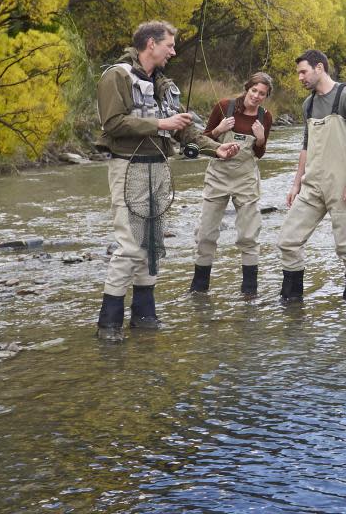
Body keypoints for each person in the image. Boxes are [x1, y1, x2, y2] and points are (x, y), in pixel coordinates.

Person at [94, 21, 236, 343]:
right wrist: (160, 122)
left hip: (158, 166)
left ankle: (145, 317)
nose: (173, 51)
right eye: (169, 45)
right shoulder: (116, 76)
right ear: (150, 44)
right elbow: (113, 123)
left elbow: (184, 131)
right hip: (127, 166)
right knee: (131, 246)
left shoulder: (163, 84)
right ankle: (109, 324)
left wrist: (217, 149)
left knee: (152, 246)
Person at [277, 50, 346, 303]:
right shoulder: (308, 104)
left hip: (343, 185)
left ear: (319, 68)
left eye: (303, 71)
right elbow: (306, 146)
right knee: (288, 239)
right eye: (298, 73)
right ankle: (292, 303)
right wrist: (296, 184)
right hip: (312, 185)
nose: (299, 77)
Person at [190, 72, 275, 297]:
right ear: (247, 88)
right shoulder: (224, 106)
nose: (256, 96)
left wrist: (260, 139)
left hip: (246, 178)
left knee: (248, 235)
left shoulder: (265, 117)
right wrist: (218, 130)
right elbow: (203, 139)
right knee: (206, 233)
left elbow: (259, 153)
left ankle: (249, 292)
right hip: (217, 175)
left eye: (262, 94)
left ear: (266, 97)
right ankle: (199, 290)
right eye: (254, 91)